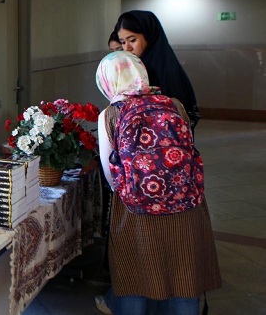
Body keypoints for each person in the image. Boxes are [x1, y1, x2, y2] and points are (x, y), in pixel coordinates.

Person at [93, 51, 220, 315]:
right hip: (185, 205)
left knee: (134, 278)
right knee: (184, 277)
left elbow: (110, 176)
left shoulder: (109, 115)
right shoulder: (175, 105)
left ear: (107, 81)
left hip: (135, 211)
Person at [114, 10, 200, 130]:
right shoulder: (134, 68)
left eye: (132, 40)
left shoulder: (166, 70)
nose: (127, 48)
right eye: (123, 42)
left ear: (149, 36)